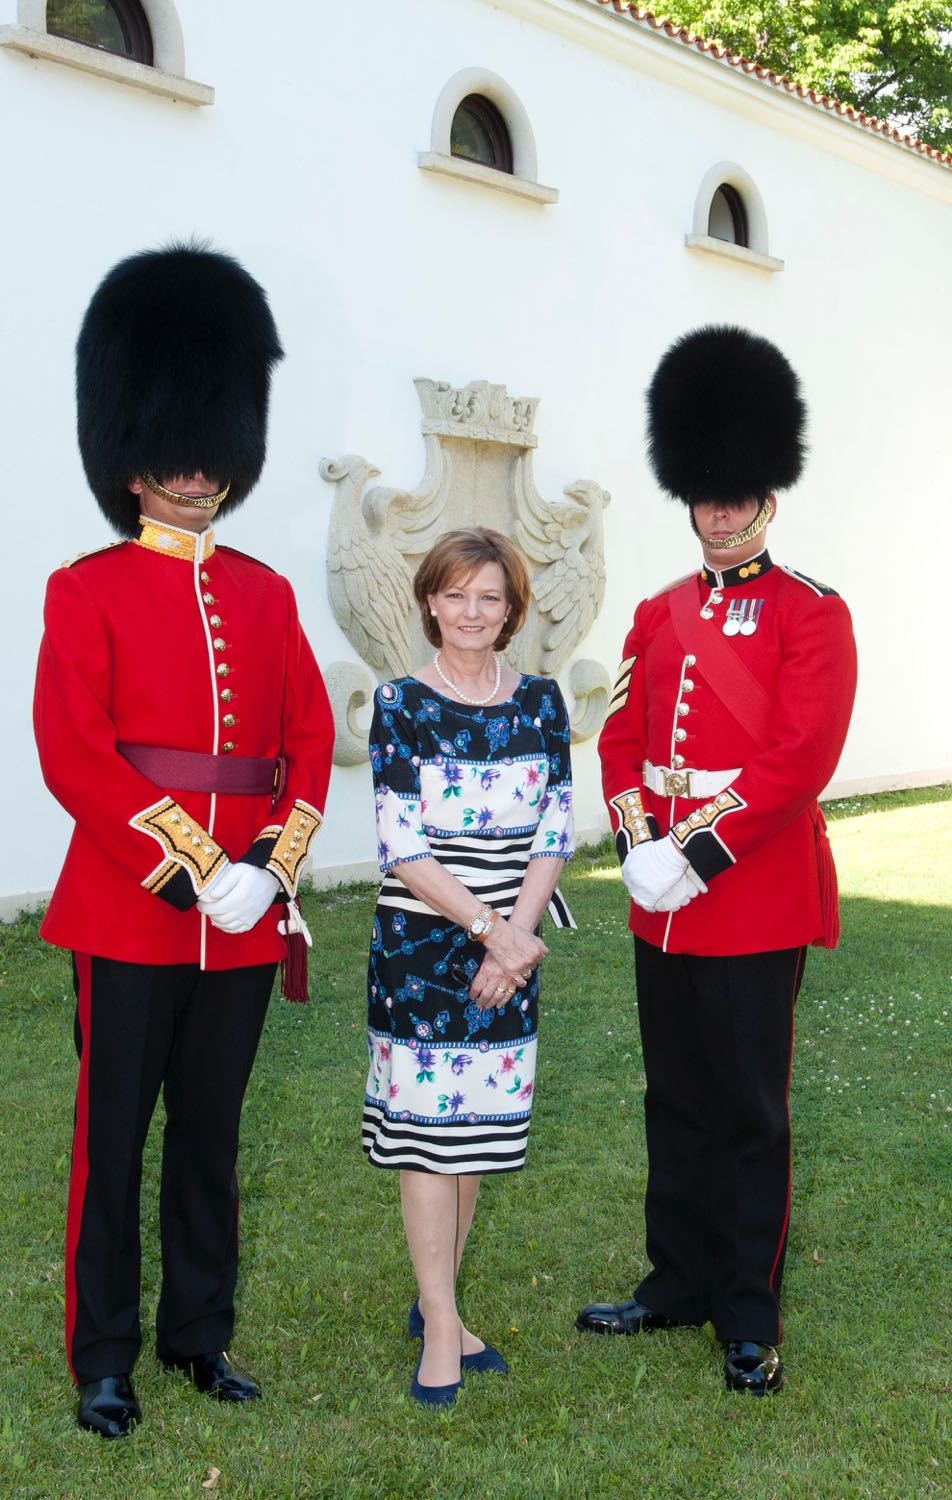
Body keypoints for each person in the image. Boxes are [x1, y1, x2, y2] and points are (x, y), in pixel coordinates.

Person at [33, 244, 334, 1437]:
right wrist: (193, 868)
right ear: (130, 451)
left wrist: (266, 871)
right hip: (127, 912)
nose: (200, 471)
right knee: (113, 1149)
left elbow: (305, 741)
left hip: (245, 928)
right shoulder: (85, 588)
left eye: (216, 447)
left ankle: (198, 1335)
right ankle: (102, 1355)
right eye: (175, 446)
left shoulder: (264, 593)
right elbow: (75, 755)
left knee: (209, 1142)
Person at [576, 326, 857, 1395]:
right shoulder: (659, 612)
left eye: (737, 491)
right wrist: (641, 840)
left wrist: (695, 850)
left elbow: (797, 760)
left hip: (748, 898)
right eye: (705, 491)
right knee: (674, 1099)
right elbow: (619, 738)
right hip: (664, 902)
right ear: (688, 494)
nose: (720, 507)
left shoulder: (811, 615)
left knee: (747, 1110)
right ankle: (676, 1281)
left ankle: (747, 1313)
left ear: (765, 496)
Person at [363, 527, 576, 1406]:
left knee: (476, 1131)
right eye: (455, 595)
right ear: (429, 602)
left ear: (511, 607)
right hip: (424, 946)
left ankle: (437, 1301)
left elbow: (556, 825)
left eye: (489, 596)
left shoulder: (544, 701)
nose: (472, 612)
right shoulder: (399, 703)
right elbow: (403, 843)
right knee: (428, 1138)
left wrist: (518, 937)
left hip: (512, 943)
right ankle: (442, 1324)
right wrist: (490, 929)